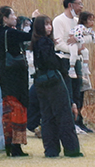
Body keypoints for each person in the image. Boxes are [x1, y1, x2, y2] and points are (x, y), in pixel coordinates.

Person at [31, 16, 83, 158]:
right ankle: (71, 149)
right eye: (46, 24)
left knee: (47, 116)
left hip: (40, 81)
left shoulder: (35, 42)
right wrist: (61, 64)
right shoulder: (45, 42)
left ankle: (51, 150)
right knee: (63, 114)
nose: (49, 27)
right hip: (53, 80)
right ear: (40, 27)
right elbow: (51, 62)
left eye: (49, 24)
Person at [0, 5, 34, 157]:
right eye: (13, 15)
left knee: (8, 111)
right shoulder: (11, 33)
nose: (15, 17)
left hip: (5, 75)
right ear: (5, 18)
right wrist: (33, 20)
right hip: (16, 75)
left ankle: (9, 145)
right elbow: (29, 36)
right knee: (18, 109)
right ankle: (16, 147)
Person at [52, 0, 82, 127]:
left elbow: (81, 40)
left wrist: (79, 46)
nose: (81, 7)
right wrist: (73, 49)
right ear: (71, 5)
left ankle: (79, 121)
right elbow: (58, 44)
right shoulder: (59, 21)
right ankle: (69, 122)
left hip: (77, 59)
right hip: (64, 59)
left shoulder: (76, 22)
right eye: (78, 4)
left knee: (78, 90)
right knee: (68, 91)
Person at [71, 11, 95, 133]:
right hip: (76, 66)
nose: (92, 23)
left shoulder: (88, 32)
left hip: (82, 67)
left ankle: (79, 121)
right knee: (76, 96)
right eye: (90, 20)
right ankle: (75, 122)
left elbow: (92, 38)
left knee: (81, 95)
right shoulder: (78, 29)